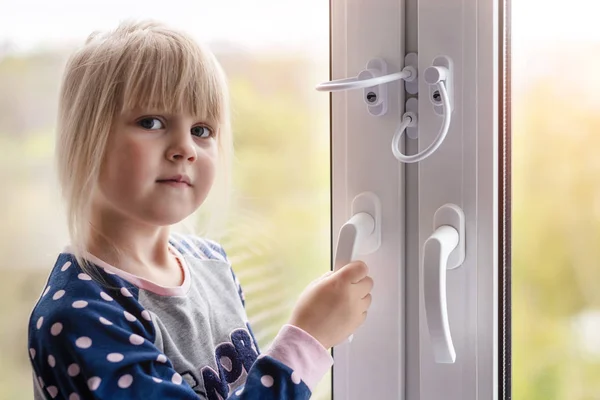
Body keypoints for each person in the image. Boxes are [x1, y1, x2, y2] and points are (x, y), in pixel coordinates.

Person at [27, 19, 374, 400]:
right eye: (152, 122)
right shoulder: (80, 316)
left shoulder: (212, 263)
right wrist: (307, 340)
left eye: (202, 130)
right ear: (86, 137)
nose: (185, 148)